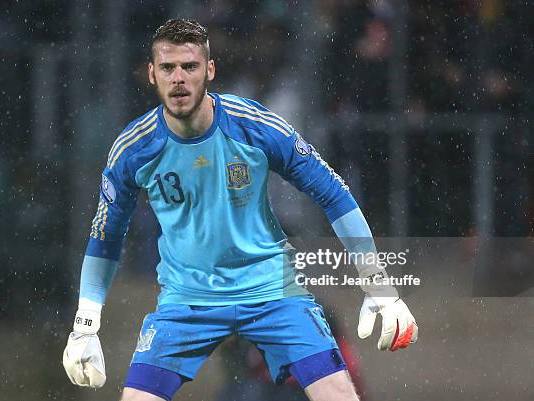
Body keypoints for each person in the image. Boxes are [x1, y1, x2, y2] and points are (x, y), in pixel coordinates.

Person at [62, 19, 418, 401]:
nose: (179, 78)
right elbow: (105, 238)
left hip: (271, 290)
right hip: (187, 300)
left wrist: (378, 283)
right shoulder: (133, 149)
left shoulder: (255, 126)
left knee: (339, 395)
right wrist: (85, 323)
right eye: (168, 68)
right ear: (152, 74)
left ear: (210, 71)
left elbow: (335, 195)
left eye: (190, 67)